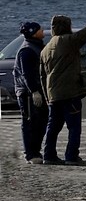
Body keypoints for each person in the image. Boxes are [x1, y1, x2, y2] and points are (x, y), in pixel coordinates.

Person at [40, 0, 86, 166]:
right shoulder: (68, 41)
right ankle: (71, 156)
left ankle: (48, 155)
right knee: (74, 127)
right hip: (69, 92)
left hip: (53, 94)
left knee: (53, 127)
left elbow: (42, 75)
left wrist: (46, 96)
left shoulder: (46, 48)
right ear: (67, 27)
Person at [14, 21, 48, 164]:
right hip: (27, 93)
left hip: (39, 90)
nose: (43, 31)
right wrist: (34, 91)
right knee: (30, 122)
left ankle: (36, 150)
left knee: (42, 121)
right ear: (34, 32)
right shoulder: (27, 50)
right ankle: (30, 153)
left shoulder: (38, 46)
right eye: (40, 29)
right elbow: (26, 74)